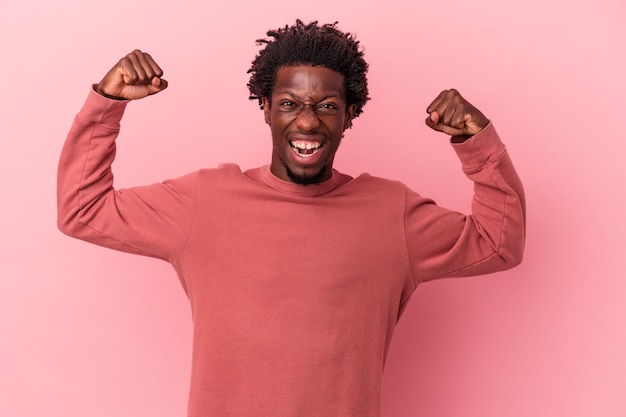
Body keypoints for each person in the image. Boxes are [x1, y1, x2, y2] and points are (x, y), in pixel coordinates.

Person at [57, 20, 525, 417]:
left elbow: (498, 242)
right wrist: (107, 104)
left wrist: (478, 143)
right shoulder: (206, 202)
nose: (307, 122)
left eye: (326, 106)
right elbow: (82, 209)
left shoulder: (391, 213)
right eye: (289, 103)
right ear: (265, 107)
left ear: (349, 114)